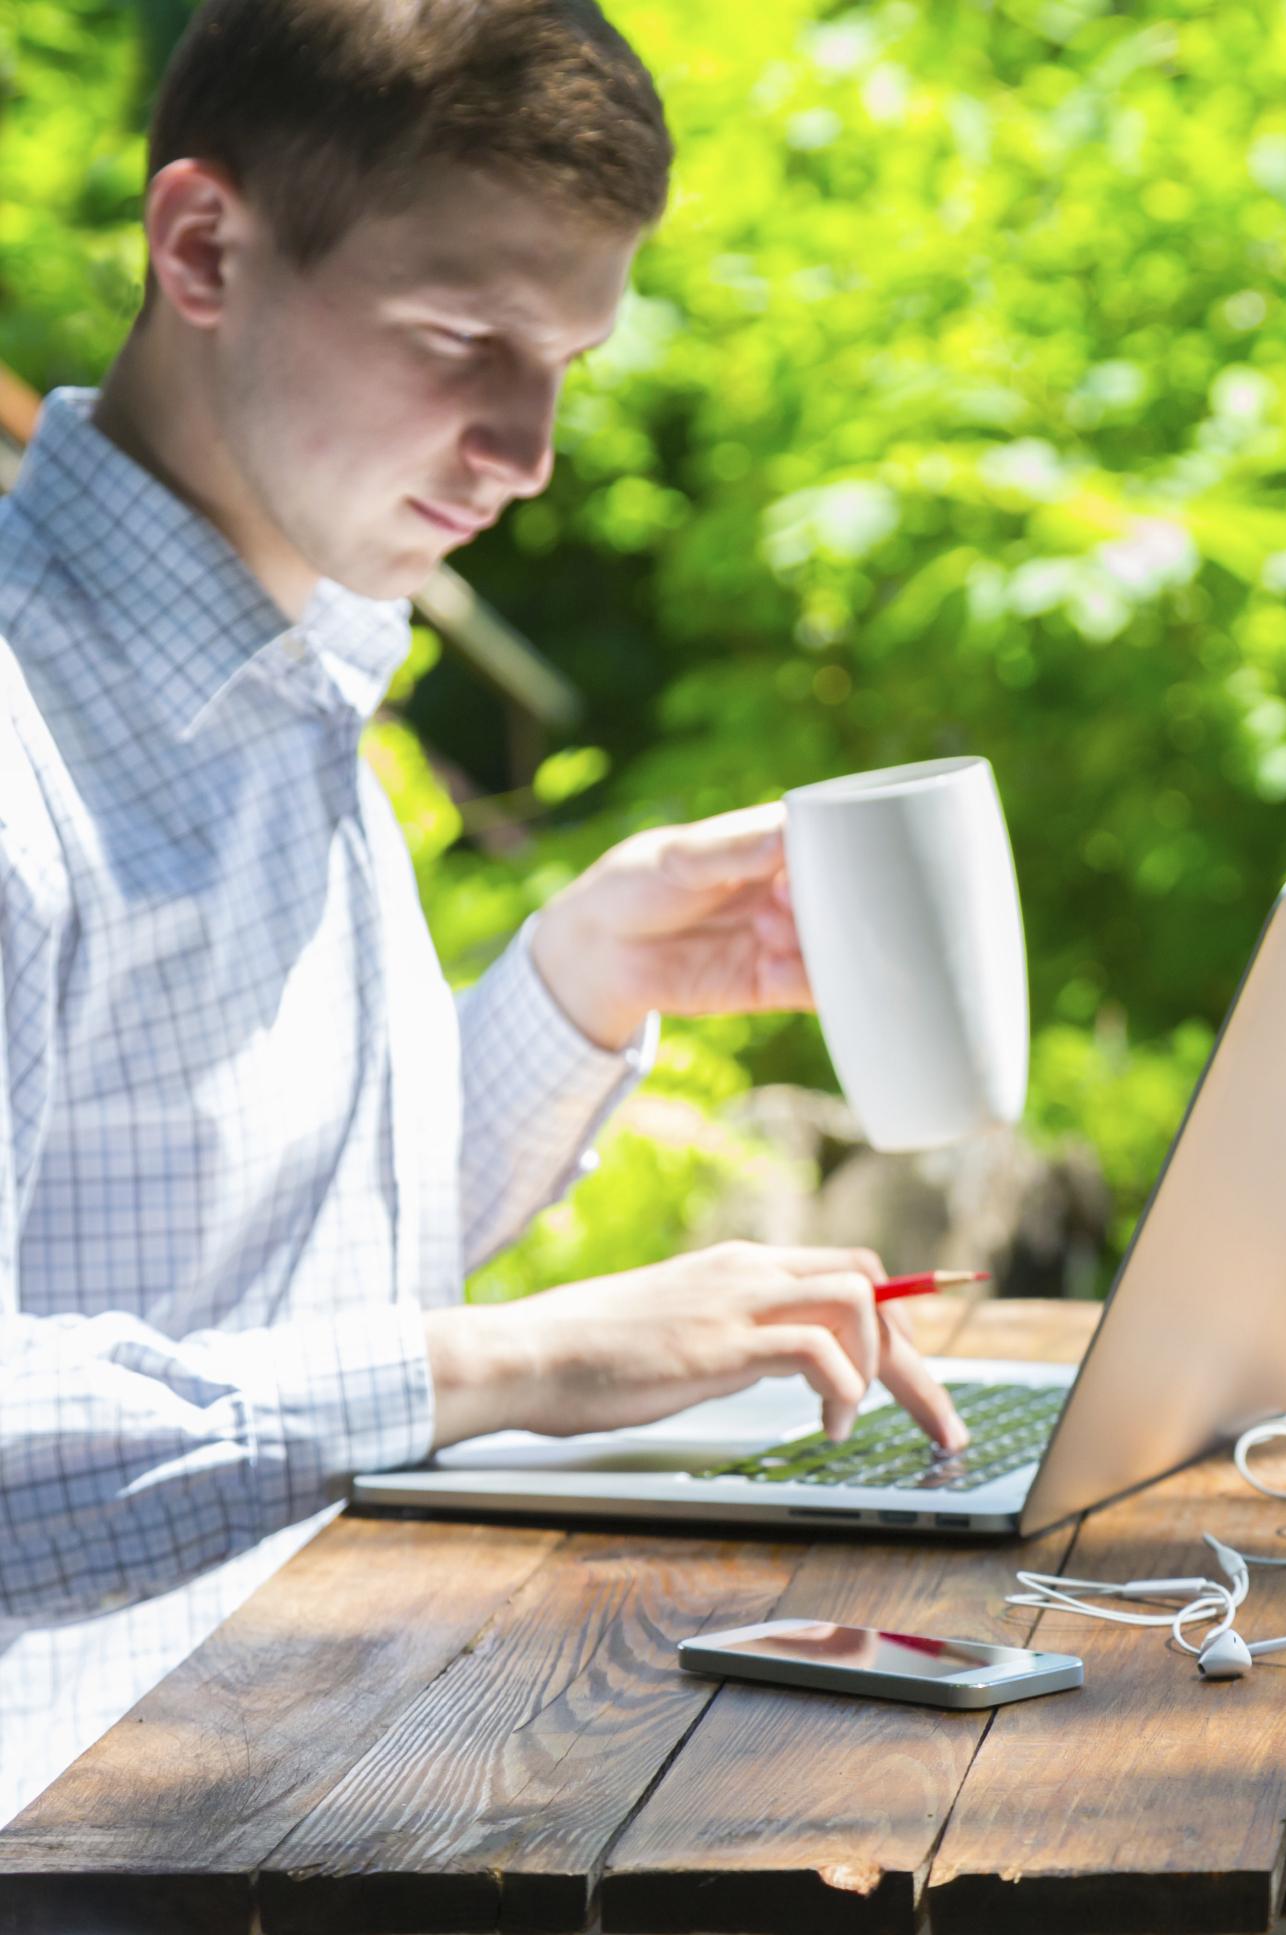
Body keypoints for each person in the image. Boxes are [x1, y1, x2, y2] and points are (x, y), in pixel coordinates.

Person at [0, 0, 967, 1823]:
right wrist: (511, 1365)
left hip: (291, 1767)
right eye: (466, 338)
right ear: (204, 247)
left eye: (569, 361)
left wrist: (574, 992)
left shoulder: (298, 695)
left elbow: (278, 1299)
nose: (527, 447)